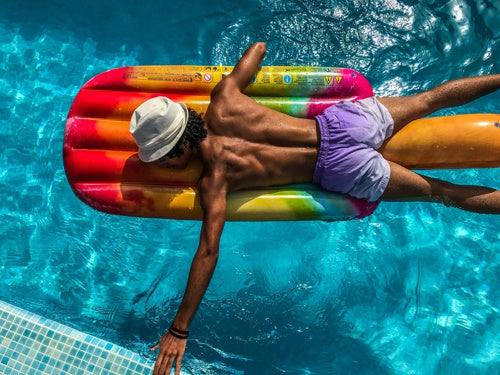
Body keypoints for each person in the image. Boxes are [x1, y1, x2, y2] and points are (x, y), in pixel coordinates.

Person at [129, 42, 500, 375]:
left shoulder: (214, 181)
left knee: (441, 192)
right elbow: (258, 50)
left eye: (162, 159)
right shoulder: (224, 96)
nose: (163, 166)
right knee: (428, 100)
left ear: (179, 147)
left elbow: (208, 252)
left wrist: (179, 329)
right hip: (342, 124)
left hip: (338, 170)